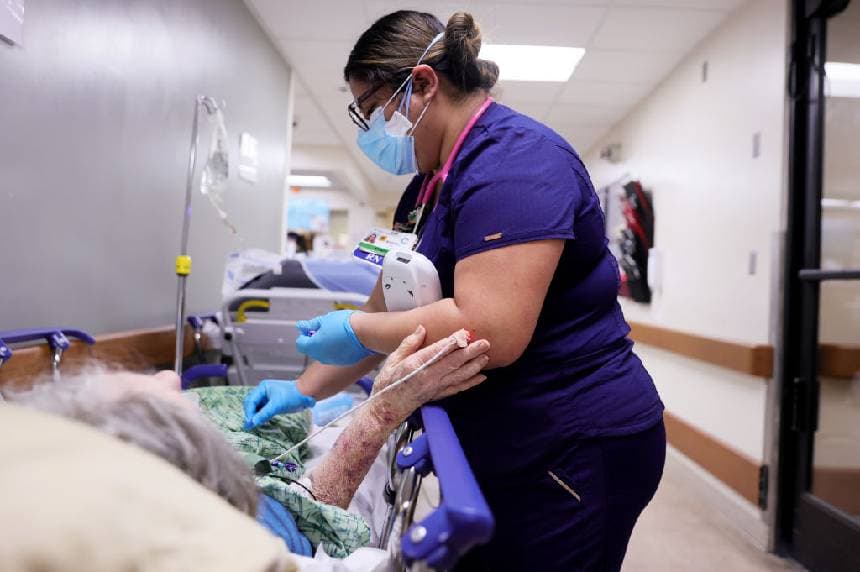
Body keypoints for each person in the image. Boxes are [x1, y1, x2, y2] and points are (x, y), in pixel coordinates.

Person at [243, 10, 666, 572]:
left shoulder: (518, 164)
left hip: (573, 440)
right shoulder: (426, 187)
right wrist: (304, 388)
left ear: (421, 84)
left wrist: (356, 328)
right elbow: (385, 309)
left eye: (371, 111)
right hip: (504, 438)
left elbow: (492, 328)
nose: (367, 130)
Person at [8, 327, 489, 564]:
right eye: (167, 399)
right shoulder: (221, 517)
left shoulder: (55, 447)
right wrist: (383, 409)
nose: (171, 376)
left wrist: (306, 394)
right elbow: (310, 504)